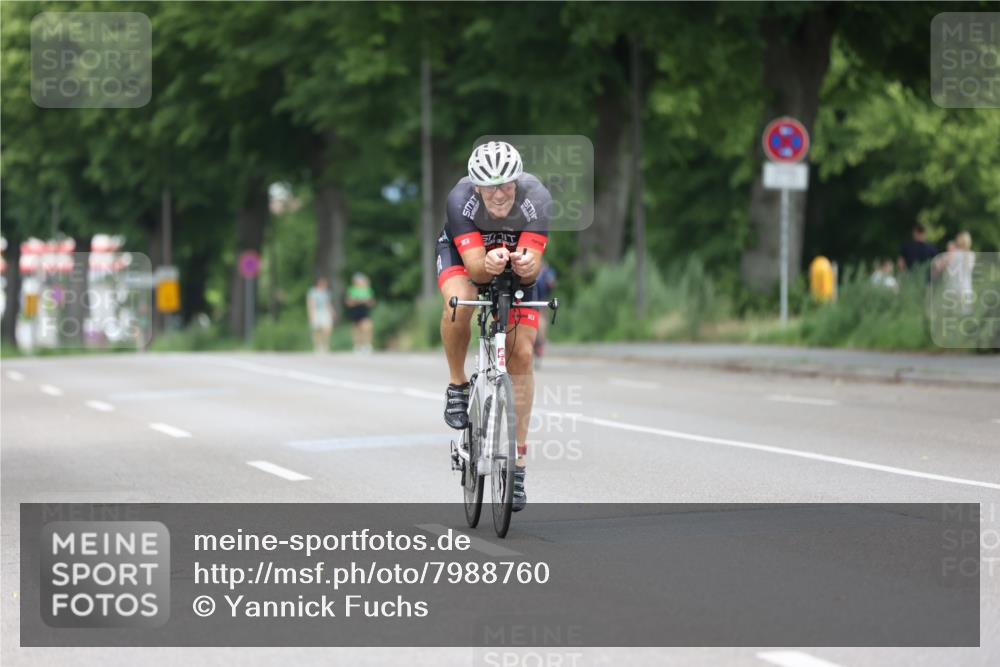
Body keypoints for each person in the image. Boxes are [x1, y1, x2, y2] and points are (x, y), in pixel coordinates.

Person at [437, 141, 550, 512]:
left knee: (522, 355)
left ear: (517, 181)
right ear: (476, 187)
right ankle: (457, 383)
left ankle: (517, 464)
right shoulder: (460, 200)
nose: (498, 194)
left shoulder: (537, 199)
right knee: (459, 303)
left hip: (512, 263)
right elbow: (474, 268)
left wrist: (526, 265)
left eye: (505, 185)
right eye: (489, 187)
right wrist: (488, 262)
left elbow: (533, 269)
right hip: (464, 256)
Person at [533, 261, 557, 366]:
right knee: (541, 322)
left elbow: (552, 283)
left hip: (539, 301)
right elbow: (552, 283)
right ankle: (540, 343)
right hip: (537, 301)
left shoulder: (546, 270)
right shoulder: (546, 270)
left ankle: (540, 343)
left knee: (541, 322)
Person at [345, 272, 375, 353]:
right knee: (356, 329)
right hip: (355, 310)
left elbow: (371, 302)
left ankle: (367, 345)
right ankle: (357, 346)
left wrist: (366, 301)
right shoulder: (352, 289)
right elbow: (348, 302)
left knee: (367, 327)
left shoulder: (367, 289)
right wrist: (358, 301)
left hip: (364, 310)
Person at [306, 277, 333, 353]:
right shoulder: (313, 291)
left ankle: (325, 345)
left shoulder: (326, 292)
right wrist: (311, 313)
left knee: (327, 329)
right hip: (316, 311)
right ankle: (317, 346)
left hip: (325, 311)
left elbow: (328, 303)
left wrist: (332, 311)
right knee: (317, 329)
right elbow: (310, 303)